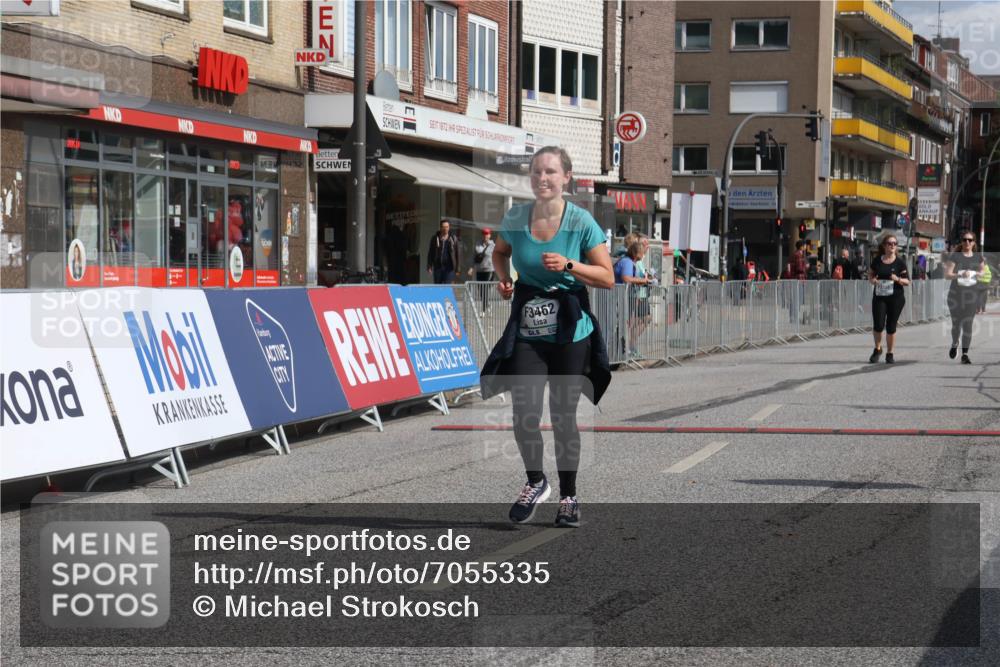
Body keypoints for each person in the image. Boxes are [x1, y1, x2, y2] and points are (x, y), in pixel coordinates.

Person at [479, 146, 614, 528]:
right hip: (529, 324)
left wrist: (570, 264)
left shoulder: (580, 221)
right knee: (524, 412)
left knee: (563, 416)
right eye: (537, 171)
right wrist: (505, 279)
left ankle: (569, 496)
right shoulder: (516, 217)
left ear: (566, 177)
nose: (543, 178)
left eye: (551, 172)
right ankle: (536, 482)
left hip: (571, 329)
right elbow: (501, 253)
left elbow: (607, 277)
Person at [868, 233, 910, 364]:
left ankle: (890, 353)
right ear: (884, 246)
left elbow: (907, 281)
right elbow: (870, 274)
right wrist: (873, 280)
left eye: (894, 244)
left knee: (891, 326)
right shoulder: (877, 261)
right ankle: (877, 349)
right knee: (878, 325)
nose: (892, 246)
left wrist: (897, 279)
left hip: (896, 298)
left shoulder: (900, 263)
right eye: (890, 243)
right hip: (880, 297)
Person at [944, 232, 985, 364]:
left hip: (971, 296)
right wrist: (960, 275)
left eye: (970, 240)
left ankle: (965, 354)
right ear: (961, 242)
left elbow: (982, 272)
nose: (967, 242)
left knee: (968, 325)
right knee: (956, 325)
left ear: (974, 243)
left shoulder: (978, 257)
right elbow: (947, 274)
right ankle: (955, 342)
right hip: (955, 296)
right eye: (964, 240)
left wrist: (976, 273)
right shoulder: (955, 256)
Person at [614, 238, 653, 357]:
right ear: (636, 253)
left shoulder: (630, 262)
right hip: (619, 298)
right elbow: (626, 278)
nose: (644, 253)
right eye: (642, 251)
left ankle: (627, 349)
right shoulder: (627, 262)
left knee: (627, 323)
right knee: (623, 324)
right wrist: (643, 280)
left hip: (627, 297)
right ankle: (623, 351)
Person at [468, 227, 496, 312]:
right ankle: (487, 304)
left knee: (486, 289)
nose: (485, 236)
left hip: (489, 270)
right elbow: (474, 257)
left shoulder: (493, 245)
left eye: (487, 234)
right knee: (481, 289)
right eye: (484, 234)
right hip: (480, 270)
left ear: (490, 235)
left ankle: (484, 308)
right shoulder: (478, 244)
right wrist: (471, 267)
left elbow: (497, 257)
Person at [427, 219, 460, 284]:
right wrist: (429, 266)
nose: (445, 229)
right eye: (444, 227)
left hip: (449, 268)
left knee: (447, 287)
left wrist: (457, 269)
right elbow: (430, 253)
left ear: (449, 227)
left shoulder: (453, 238)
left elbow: (457, 254)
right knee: (437, 288)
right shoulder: (435, 238)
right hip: (438, 267)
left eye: (447, 227)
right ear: (440, 228)